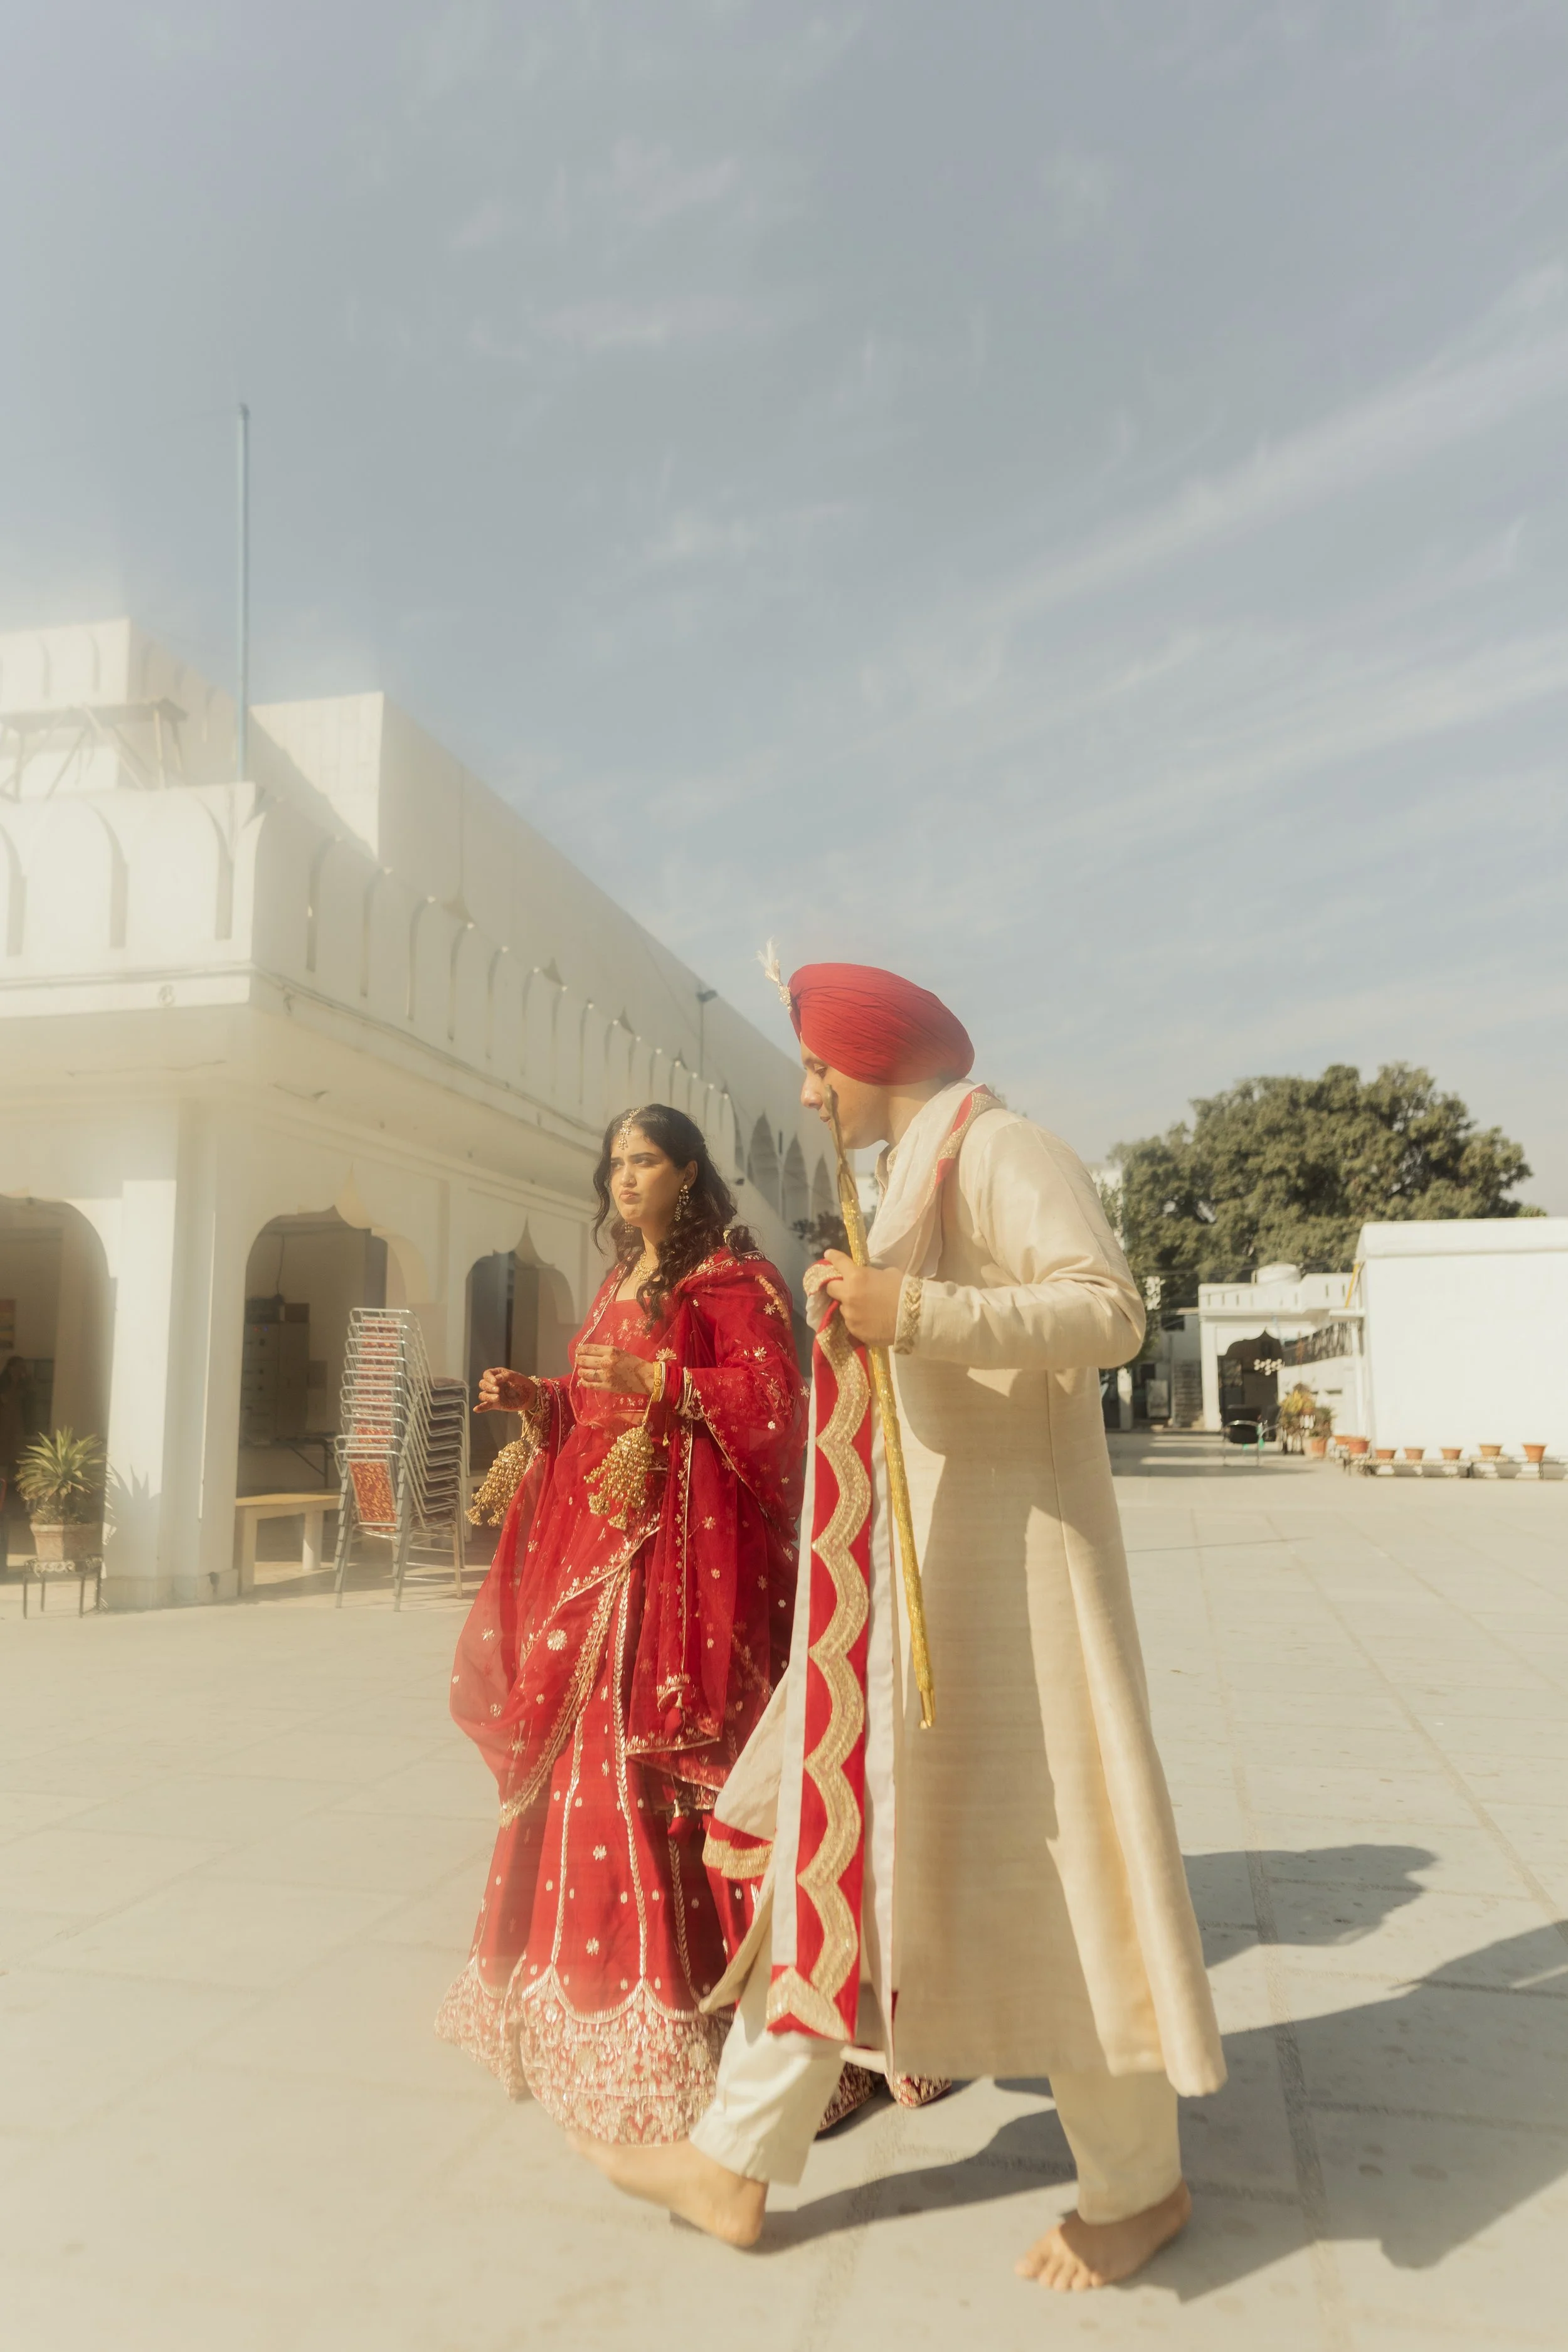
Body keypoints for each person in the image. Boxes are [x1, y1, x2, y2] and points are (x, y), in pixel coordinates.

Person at [575, 965, 1226, 2292]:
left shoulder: (1000, 1152)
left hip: (1013, 1590)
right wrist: (869, 1319)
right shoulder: (910, 1178)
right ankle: (733, 2160)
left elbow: (1105, 1311)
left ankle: (1138, 2188)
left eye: (818, 1067)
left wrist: (908, 1312)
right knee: (836, 1853)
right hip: (900, 1588)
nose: (806, 1091)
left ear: (871, 1061)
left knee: (1057, 1871)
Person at [437, 1104, 808, 2143]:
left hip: (667, 1570)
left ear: (690, 1173)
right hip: (589, 1549)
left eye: (645, 1161)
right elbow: (597, 1405)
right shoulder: (617, 1285)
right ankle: (562, 2009)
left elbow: (777, 1404)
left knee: (632, 1766)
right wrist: (541, 1401)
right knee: (565, 1769)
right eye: (615, 1164)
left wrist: (670, 1381)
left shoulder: (736, 1282)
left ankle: (673, 2017)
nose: (624, 1179)